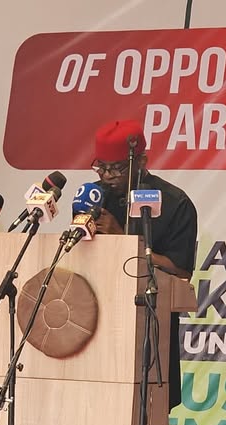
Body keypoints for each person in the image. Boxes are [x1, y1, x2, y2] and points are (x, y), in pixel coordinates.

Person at [92, 119, 198, 410]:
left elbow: (181, 271)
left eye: (116, 168)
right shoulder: (93, 197)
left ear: (141, 161)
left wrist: (123, 239)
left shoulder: (175, 203)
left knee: (145, 416)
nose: (107, 176)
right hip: (95, 326)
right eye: (101, 167)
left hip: (149, 332)